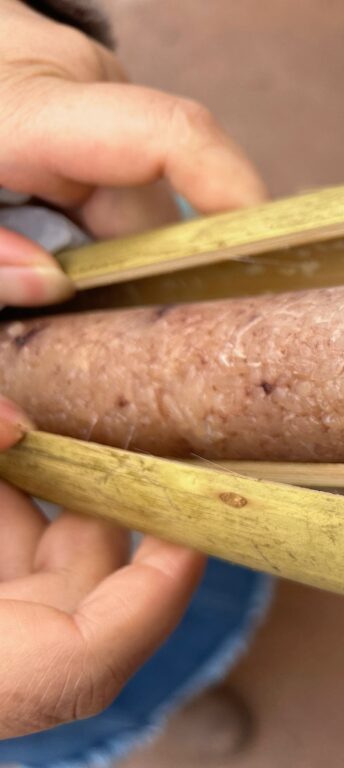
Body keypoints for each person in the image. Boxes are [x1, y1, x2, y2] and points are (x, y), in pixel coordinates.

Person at [0, 0, 270, 745]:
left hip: (63, 228)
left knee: (214, 553)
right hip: (18, 602)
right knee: (79, 664)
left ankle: (179, 663)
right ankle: (154, 697)